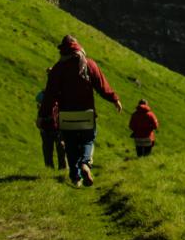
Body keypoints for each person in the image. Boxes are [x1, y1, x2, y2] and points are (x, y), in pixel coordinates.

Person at [39, 35, 122, 187]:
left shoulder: (58, 68)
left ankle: (75, 177)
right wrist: (114, 99)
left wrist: (43, 115)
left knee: (70, 145)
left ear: (62, 50)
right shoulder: (89, 64)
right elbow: (102, 86)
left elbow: (50, 95)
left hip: (66, 116)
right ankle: (85, 164)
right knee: (88, 140)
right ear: (78, 47)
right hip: (86, 114)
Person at [35, 69, 67, 170]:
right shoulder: (44, 94)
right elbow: (39, 99)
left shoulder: (61, 93)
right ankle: (51, 170)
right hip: (48, 125)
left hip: (57, 125)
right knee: (49, 149)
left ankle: (62, 169)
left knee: (60, 147)